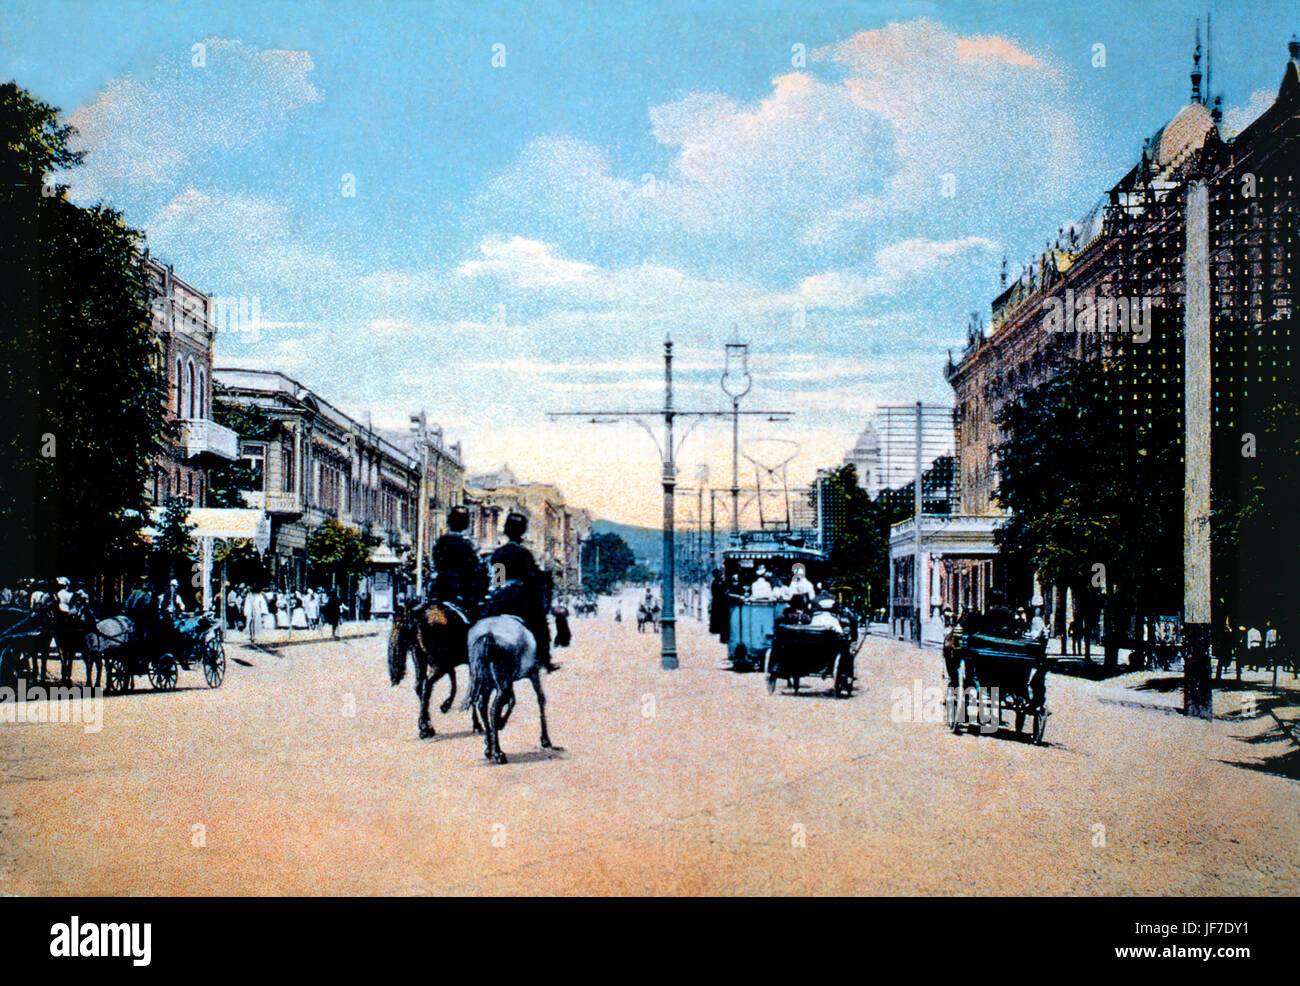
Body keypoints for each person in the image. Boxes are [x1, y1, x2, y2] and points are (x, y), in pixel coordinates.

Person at [489, 512, 556, 671]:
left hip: (501, 599)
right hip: (521, 599)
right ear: (522, 532)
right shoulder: (524, 554)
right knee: (541, 625)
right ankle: (544, 659)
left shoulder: (499, 553)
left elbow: (497, 580)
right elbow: (532, 579)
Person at [431, 505, 488, 620]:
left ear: (449, 522)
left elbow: (435, 562)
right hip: (461, 591)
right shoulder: (468, 545)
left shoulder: (441, 541)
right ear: (466, 524)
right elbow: (475, 569)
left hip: (438, 589)